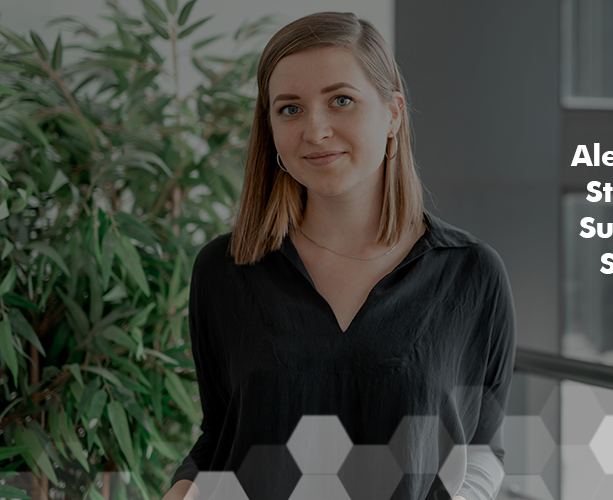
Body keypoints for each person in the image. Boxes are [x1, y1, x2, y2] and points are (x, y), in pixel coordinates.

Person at [162, 12, 516, 500]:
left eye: (341, 101)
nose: (316, 129)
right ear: (270, 130)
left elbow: (482, 450)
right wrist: (183, 489)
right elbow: (220, 433)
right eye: (290, 109)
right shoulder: (225, 269)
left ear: (393, 113)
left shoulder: (471, 273)